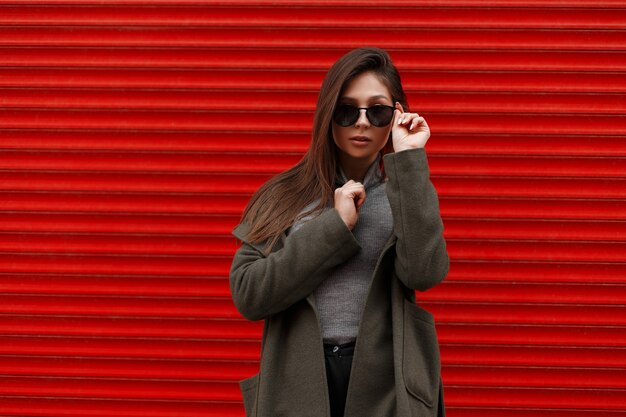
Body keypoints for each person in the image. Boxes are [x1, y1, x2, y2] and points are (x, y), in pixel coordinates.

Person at [229, 47, 449, 417]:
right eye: (347, 110)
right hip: (298, 384)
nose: (361, 123)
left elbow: (425, 273)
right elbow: (249, 294)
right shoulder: (283, 195)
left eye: (376, 111)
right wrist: (335, 227)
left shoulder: (405, 190)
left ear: (396, 116)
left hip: (387, 387)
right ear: (328, 115)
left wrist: (408, 160)